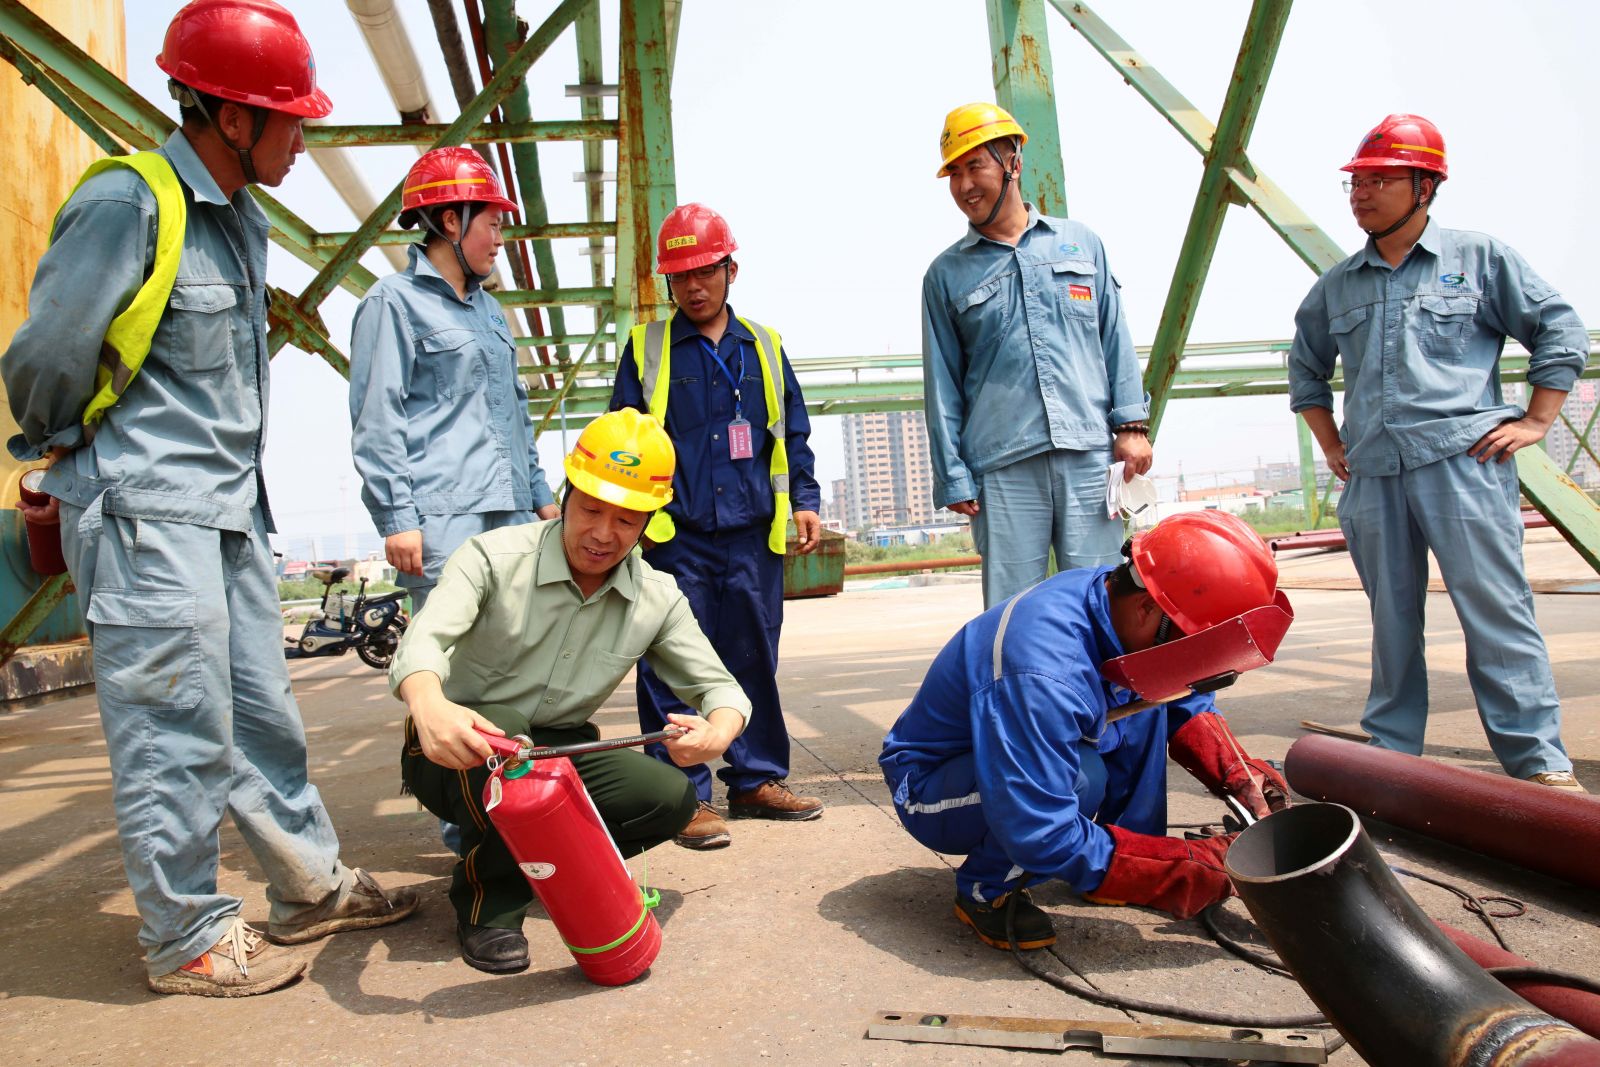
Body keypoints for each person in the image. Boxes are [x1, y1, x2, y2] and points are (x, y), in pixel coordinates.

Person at [0, 0, 418, 997]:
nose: (302, 140)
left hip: (229, 513)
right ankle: (185, 933)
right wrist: (76, 452)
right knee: (172, 727)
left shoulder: (239, 220)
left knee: (263, 716)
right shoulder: (130, 203)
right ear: (232, 118)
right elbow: (47, 357)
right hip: (147, 512)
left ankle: (308, 886)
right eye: (291, 120)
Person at [1288, 114, 1588, 792]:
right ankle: (1393, 755)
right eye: (1354, 183)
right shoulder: (1339, 285)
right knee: (1392, 623)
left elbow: (1560, 330)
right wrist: (1331, 442)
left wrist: (1538, 420)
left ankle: (1538, 761)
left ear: (1425, 187)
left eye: (1379, 181)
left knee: (1496, 611)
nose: (1361, 194)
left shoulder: (1479, 260)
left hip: (1464, 464)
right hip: (1374, 475)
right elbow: (1305, 369)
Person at [391, 409, 752, 973]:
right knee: (511, 745)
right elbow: (423, 642)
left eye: (627, 519)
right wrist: (428, 703)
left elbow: (720, 687)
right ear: (566, 496)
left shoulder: (656, 597)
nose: (604, 534)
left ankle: (542, 866)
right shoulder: (491, 558)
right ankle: (489, 907)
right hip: (455, 746)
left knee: (670, 798)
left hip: (557, 750)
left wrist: (717, 731)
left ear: (650, 521)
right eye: (591, 510)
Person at [880, 512, 1291, 949]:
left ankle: (1128, 852)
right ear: (1148, 609)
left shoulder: (1118, 600)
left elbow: (1183, 693)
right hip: (931, 788)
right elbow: (1039, 826)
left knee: (1151, 690)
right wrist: (1178, 870)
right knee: (1081, 778)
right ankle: (986, 890)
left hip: (1015, 746)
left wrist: (1239, 774)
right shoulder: (1041, 669)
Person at [608, 203, 824, 850]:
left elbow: (791, 431)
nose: (694, 286)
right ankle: (681, 798)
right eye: (680, 276)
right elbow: (622, 440)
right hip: (675, 539)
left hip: (752, 534)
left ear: (732, 270)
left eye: (705, 271)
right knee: (671, 664)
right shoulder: (646, 348)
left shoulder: (765, 345)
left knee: (753, 657)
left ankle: (756, 780)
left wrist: (805, 498)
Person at [922, 102, 1154, 610]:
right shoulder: (946, 275)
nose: (964, 186)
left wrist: (1132, 426)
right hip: (1002, 465)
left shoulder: (1081, 244)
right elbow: (941, 382)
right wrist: (953, 473)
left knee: (1100, 603)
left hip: (1088, 454)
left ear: (1013, 163)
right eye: (954, 174)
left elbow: (1114, 337)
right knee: (1013, 613)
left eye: (975, 166)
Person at [349, 147, 560, 615]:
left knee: (518, 649)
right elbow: (377, 418)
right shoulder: (392, 302)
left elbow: (516, 414)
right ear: (451, 221)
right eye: (493, 225)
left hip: (513, 516)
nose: (500, 240)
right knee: (450, 653)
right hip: (443, 523)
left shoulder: (492, 312)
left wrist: (540, 495)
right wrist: (397, 517)